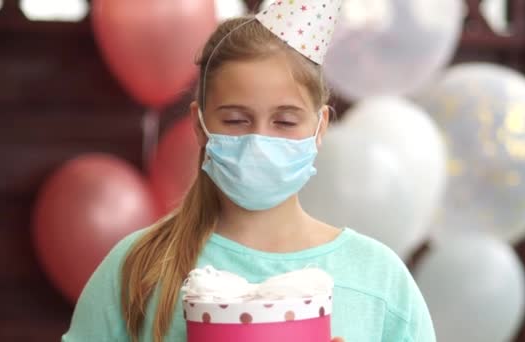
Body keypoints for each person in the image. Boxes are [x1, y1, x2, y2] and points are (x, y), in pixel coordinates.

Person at [62, 2, 436, 342]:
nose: (259, 140)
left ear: (320, 127)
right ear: (199, 125)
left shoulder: (379, 280)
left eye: (285, 121)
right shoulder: (137, 269)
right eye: (237, 120)